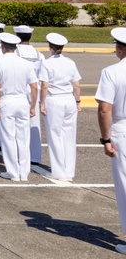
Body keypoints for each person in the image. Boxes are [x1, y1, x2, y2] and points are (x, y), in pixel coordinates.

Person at [0, 32, 38, 182]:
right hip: (23, 101)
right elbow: (34, 87)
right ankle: (24, 173)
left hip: (7, 101)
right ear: (15, 48)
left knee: (8, 138)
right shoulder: (26, 63)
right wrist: (32, 106)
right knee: (23, 138)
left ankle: (12, 172)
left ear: (2, 47)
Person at [96, 27, 126, 255]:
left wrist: (105, 138)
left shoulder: (112, 72)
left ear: (120, 48)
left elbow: (105, 109)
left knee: (125, 186)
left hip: (121, 129)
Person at [40, 33, 81, 181]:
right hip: (69, 99)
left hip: (54, 99)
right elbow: (76, 85)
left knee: (55, 135)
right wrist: (77, 101)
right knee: (69, 135)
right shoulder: (70, 62)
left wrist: (42, 103)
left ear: (50, 47)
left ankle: (58, 171)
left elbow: (45, 85)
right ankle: (69, 171)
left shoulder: (47, 63)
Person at [14, 25, 44, 164]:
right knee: (34, 123)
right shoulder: (39, 54)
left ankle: (20, 155)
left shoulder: (14, 53)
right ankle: (35, 156)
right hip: (34, 90)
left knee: (17, 125)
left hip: (19, 90)